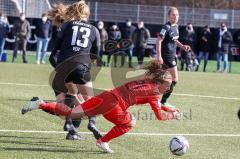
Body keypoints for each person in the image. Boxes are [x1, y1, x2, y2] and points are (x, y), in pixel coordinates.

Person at [21, 62, 182, 153]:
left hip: (106, 97)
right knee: (130, 122)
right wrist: (173, 116)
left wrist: (170, 109)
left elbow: (158, 105)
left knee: (72, 113)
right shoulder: (154, 93)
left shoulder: (145, 81)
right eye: (167, 86)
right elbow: (159, 116)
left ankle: (40, 103)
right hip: (114, 106)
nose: (168, 89)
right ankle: (103, 141)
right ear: (159, 82)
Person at [48, 1, 102, 140]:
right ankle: (92, 122)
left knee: (71, 97)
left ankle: (69, 124)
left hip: (63, 67)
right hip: (81, 68)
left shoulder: (65, 26)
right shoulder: (94, 30)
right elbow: (96, 54)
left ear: (75, 12)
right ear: (87, 14)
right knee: (89, 101)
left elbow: (54, 53)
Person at [156, 7, 191, 107]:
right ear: (169, 16)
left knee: (163, 79)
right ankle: (163, 101)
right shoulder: (166, 27)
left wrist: (183, 46)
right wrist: (159, 56)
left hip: (172, 55)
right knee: (174, 79)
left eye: (177, 15)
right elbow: (158, 41)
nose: (176, 17)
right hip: (166, 56)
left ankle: (156, 98)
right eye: (173, 15)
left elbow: (174, 40)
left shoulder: (176, 26)